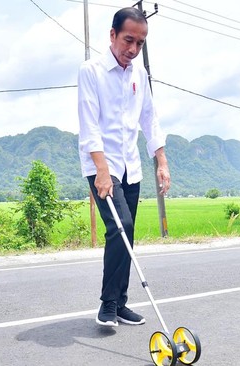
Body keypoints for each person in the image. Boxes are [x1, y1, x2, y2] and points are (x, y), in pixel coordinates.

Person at [78, 8, 170, 327]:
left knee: (126, 233)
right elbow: (89, 126)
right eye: (128, 40)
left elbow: (149, 117)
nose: (132, 49)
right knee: (121, 226)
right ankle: (107, 303)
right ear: (113, 35)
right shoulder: (90, 71)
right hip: (101, 164)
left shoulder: (138, 74)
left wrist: (161, 161)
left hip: (131, 165)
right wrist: (102, 171)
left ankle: (120, 303)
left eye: (140, 43)